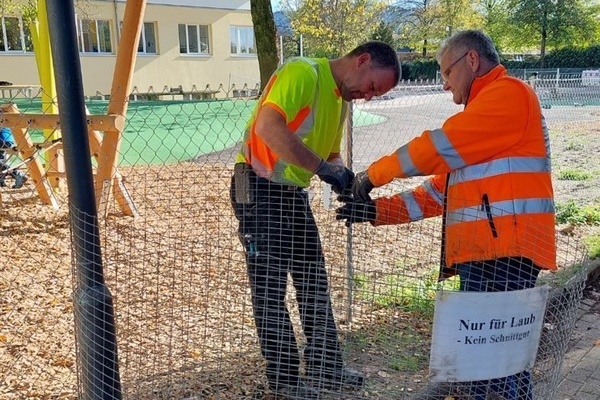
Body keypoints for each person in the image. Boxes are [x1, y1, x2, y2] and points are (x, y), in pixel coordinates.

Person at [336, 30, 556, 400]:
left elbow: (435, 148)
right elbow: (440, 193)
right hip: (493, 254)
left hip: (500, 256)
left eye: (446, 72)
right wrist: (376, 211)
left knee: (491, 372)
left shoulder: (507, 95)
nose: (443, 84)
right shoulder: (485, 121)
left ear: (471, 61)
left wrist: (373, 175)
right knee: (502, 368)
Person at [230, 41, 401, 399]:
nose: (367, 97)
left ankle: (326, 366)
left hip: (291, 192)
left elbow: (332, 154)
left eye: (375, 95)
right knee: (270, 291)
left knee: (313, 281)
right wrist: (323, 170)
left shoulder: (339, 101)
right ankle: (285, 380)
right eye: (372, 87)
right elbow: (268, 128)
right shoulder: (302, 73)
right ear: (362, 60)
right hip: (258, 189)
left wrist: (349, 182)